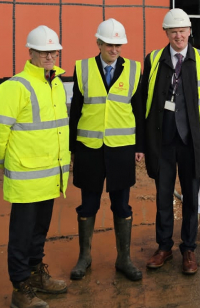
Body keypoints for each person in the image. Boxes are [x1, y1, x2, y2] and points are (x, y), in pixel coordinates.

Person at [0, 25, 70, 308]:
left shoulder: (55, 83)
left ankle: (35, 276)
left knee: (38, 233)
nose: (49, 56)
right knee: (21, 236)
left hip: (49, 176)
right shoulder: (16, 86)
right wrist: (3, 162)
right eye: (44, 52)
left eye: (53, 51)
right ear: (30, 52)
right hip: (25, 177)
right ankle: (20, 288)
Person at [142, 8, 200, 275]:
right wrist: (142, 143)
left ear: (190, 31)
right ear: (166, 33)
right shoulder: (154, 59)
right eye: (173, 31)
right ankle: (164, 246)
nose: (178, 35)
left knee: (191, 197)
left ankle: (189, 248)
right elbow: (146, 102)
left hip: (192, 142)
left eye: (182, 30)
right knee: (163, 196)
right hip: (162, 141)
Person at [69, 18, 144, 282]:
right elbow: (75, 111)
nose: (115, 49)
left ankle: (124, 258)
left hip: (121, 150)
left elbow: (139, 111)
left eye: (119, 45)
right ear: (98, 43)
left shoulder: (134, 70)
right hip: (89, 149)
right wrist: (72, 149)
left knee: (121, 205)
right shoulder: (82, 68)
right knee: (88, 204)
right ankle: (84, 257)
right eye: (110, 44)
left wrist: (140, 146)